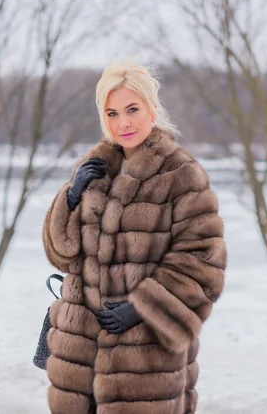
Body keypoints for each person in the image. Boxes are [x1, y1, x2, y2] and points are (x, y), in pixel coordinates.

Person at [42, 58, 227, 414]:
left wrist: (141, 308)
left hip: (144, 360)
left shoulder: (182, 175)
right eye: (111, 113)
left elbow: (204, 263)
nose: (122, 123)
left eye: (132, 109)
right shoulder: (93, 169)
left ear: (152, 109)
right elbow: (62, 255)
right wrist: (70, 196)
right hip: (80, 357)